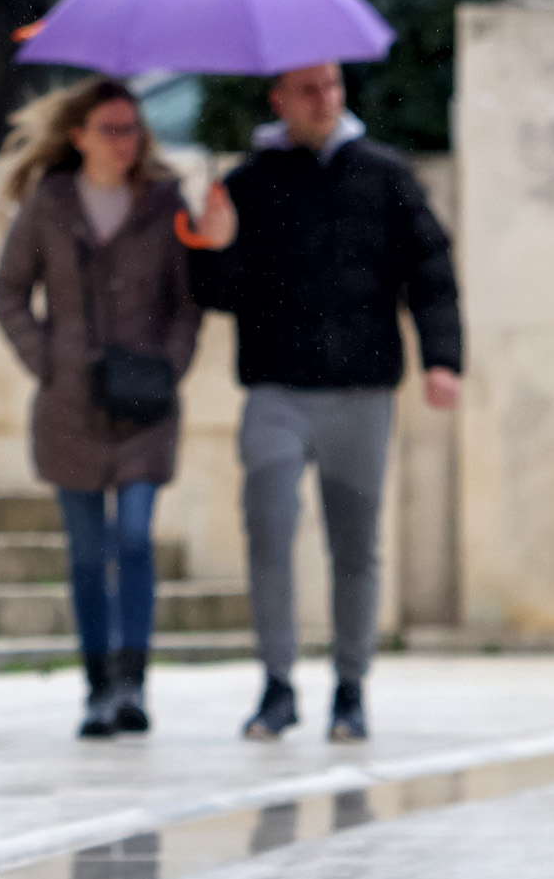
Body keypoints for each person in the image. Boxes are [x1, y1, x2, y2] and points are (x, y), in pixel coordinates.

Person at [184, 60, 461, 745]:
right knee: (270, 525)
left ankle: (350, 687)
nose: (324, 99)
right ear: (279, 98)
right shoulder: (247, 183)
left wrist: (443, 358)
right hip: (276, 389)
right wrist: (211, 246)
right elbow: (218, 293)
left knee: (356, 546)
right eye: (308, 89)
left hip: (362, 391)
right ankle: (277, 685)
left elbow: (430, 271)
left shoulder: (385, 176)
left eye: (333, 87)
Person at [0, 78, 200, 739]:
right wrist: (46, 357)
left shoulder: (166, 201)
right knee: (87, 551)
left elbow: (187, 298)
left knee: (134, 538)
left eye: (132, 129)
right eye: (110, 129)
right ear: (79, 136)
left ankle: (134, 679)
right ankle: (97, 685)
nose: (124, 142)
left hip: (146, 401)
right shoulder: (50, 204)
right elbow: (9, 289)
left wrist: (171, 362)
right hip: (70, 405)